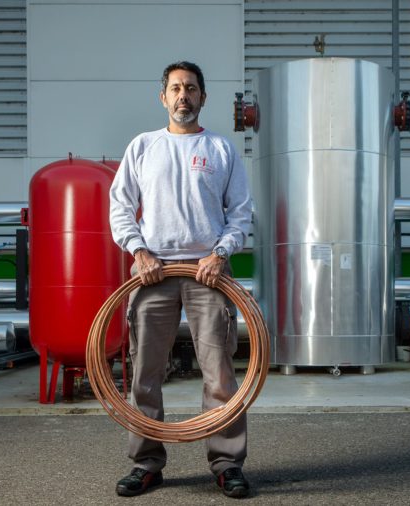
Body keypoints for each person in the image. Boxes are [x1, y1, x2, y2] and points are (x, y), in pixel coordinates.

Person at [108, 61, 253, 498]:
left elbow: (241, 214)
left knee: (221, 376)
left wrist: (220, 253)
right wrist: (139, 251)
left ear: (203, 97)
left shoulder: (222, 149)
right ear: (163, 97)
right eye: (175, 88)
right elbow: (120, 206)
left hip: (209, 274)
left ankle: (227, 463)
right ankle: (147, 464)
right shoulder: (143, 147)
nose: (183, 95)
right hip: (153, 273)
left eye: (191, 88)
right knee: (145, 376)